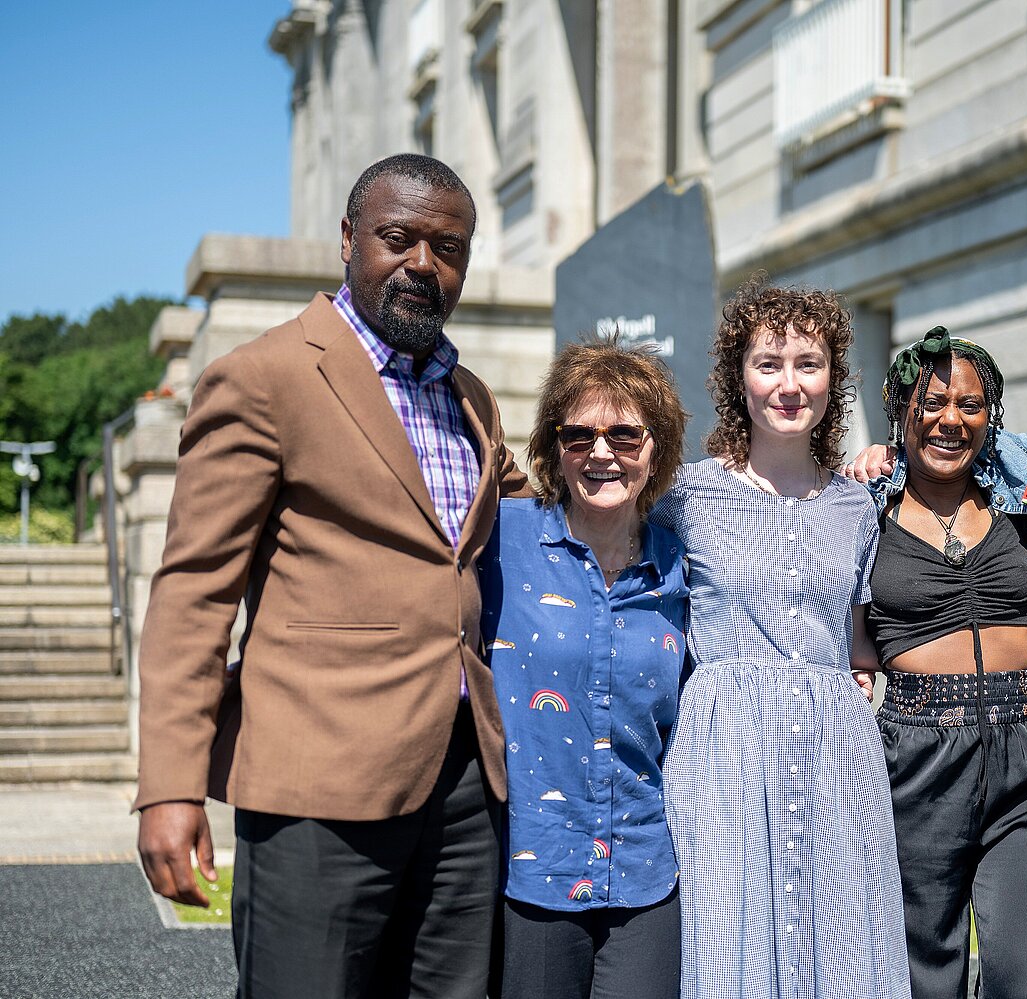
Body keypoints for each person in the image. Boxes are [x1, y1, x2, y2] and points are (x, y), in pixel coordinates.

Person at [134, 153, 531, 998]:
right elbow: (194, 591)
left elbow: (543, 508)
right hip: (317, 780)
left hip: (466, 786)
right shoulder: (264, 377)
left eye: (448, 248)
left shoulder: (471, 397)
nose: (423, 263)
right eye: (399, 238)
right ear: (349, 239)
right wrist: (170, 787)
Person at [649, 279, 911, 999]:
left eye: (808, 363)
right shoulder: (686, 497)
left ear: (833, 378)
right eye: (769, 363)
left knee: (847, 950)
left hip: (836, 755)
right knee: (728, 949)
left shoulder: (857, 504)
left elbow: (857, 641)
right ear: (739, 378)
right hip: (724, 753)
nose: (789, 385)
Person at [864, 328, 1027, 998]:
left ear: (992, 416)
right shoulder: (864, 506)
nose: (950, 419)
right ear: (900, 411)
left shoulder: (1018, 482)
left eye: (970, 404)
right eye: (930, 403)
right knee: (922, 970)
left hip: (1023, 757)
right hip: (917, 759)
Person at [479, 338, 690, 999]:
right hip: (532, 869)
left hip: (646, 870)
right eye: (580, 436)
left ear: (655, 449)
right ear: (555, 447)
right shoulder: (503, 539)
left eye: (625, 435)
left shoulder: (682, 564)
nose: (602, 453)